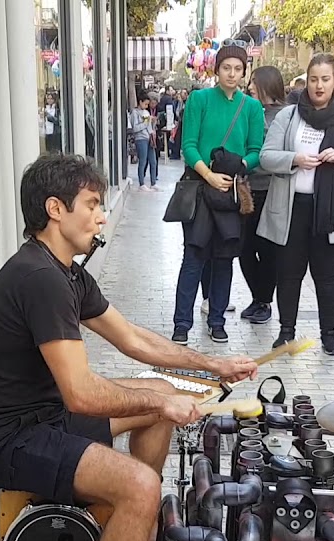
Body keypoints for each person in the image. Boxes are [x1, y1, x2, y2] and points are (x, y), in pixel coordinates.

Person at [0, 153, 258, 541]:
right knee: (142, 481)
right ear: (56, 209)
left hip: (45, 418)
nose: (101, 215)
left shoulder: (66, 272)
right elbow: (81, 392)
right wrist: (162, 401)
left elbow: (134, 340)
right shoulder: (39, 279)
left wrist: (210, 366)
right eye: (92, 204)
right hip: (7, 440)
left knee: (160, 400)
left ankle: (128, 532)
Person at [258, 53, 334, 356]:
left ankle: (329, 335)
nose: (319, 86)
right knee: (288, 274)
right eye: (313, 79)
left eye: (325, 79)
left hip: (329, 210)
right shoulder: (289, 115)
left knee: (326, 276)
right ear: (305, 81)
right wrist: (294, 159)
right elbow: (266, 156)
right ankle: (286, 332)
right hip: (292, 207)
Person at [171, 44, 265, 346]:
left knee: (225, 259)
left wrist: (239, 166)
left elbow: (256, 150)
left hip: (231, 192)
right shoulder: (199, 99)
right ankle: (182, 323)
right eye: (227, 68)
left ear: (244, 72)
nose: (232, 74)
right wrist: (208, 174)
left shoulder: (251, 107)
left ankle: (217, 321)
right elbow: (188, 145)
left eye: (238, 69)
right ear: (217, 69)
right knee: (194, 257)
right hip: (200, 188)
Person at [238, 65, 287, 326]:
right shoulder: (248, 109)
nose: (250, 87)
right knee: (244, 248)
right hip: (248, 188)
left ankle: (264, 301)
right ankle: (258, 297)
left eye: (254, 82)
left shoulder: (287, 115)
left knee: (268, 250)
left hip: (273, 189)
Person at [130, 95, 159, 190]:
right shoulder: (134, 113)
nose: (146, 106)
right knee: (143, 161)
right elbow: (135, 128)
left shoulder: (146, 112)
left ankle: (153, 183)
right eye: (145, 104)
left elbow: (149, 127)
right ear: (140, 102)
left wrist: (152, 125)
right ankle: (141, 183)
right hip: (140, 138)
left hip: (148, 137)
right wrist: (145, 123)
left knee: (153, 161)